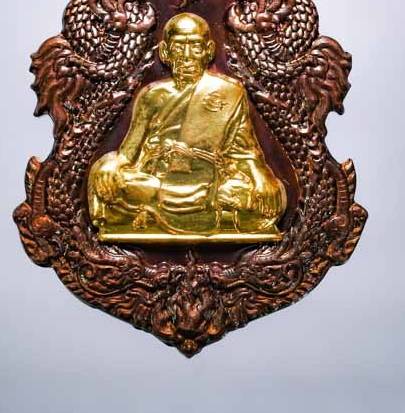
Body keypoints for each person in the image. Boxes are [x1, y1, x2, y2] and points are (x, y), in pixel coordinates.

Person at [88, 12, 286, 242]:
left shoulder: (229, 92)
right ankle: (188, 209)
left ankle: (150, 211)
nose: (187, 56)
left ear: (208, 51)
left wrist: (260, 177)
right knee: (105, 177)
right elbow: (129, 152)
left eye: (195, 47)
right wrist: (112, 165)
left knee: (268, 194)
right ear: (165, 52)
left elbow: (245, 151)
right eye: (179, 47)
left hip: (212, 181)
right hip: (158, 178)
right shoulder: (152, 95)